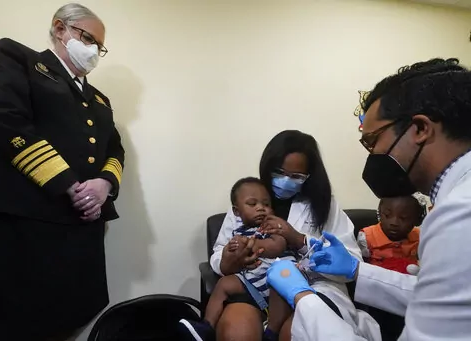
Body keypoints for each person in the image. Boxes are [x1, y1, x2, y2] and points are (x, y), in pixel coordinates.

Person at [267, 58, 471, 340]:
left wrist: (304, 299)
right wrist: (355, 271)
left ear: (421, 129)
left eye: (372, 141)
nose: (372, 154)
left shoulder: (459, 214)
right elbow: (439, 300)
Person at [0, 4, 124, 341]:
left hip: (79, 230)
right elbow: (2, 119)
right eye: (87, 38)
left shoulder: (100, 100)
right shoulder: (20, 59)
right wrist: (69, 185)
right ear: (60, 28)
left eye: (99, 46)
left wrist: (105, 185)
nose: (93, 50)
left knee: (60, 322)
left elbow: (114, 150)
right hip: (21, 222)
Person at [211, 130, 376, 341]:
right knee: (236, 329)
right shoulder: (249, 197)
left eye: (296, 176)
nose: (286, 181)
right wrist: (231, 259)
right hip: (254, 284)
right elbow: (219, 253)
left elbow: (352, 262)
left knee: (296, 331)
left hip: (311, 287)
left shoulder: (324, 204)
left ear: (309, 176)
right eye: (279, 172)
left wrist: (297, 239)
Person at [180, 177, 296, 341]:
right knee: (224, 284)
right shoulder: (238, 231)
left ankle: (272, 331)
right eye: (252, 204)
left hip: (276, 279)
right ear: (236, 212)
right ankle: (206, 326)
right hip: (252, 283)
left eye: (266, 204)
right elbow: (226, 255)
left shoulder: (271, 225)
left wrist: (253, 244)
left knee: (282, 279)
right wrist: (233, 249)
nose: (261, 209)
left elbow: (279, 245)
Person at [358, 196, 423, 274]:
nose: (394, 223)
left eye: (403, 218)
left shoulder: (418, 236)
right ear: (379, 212)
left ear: (417, 220)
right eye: (387, 215)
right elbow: (361, 269)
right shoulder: (367, 237)